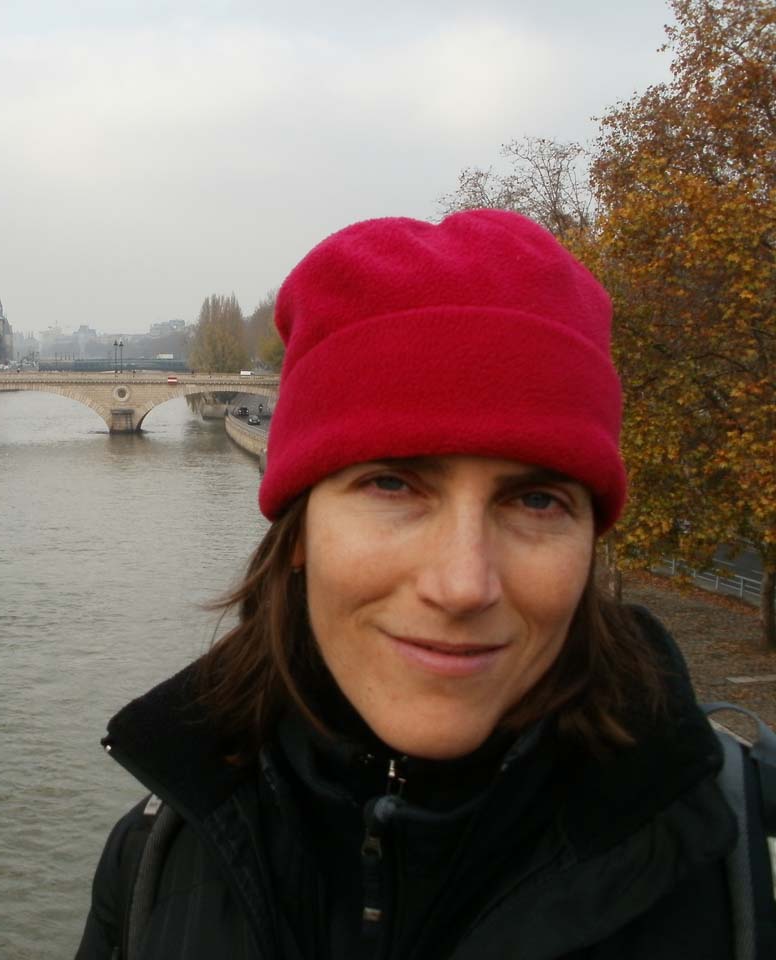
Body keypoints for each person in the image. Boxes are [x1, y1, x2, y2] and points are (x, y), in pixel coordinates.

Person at [75, 210, 762, 959]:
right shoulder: (148, 862)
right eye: (394, 485)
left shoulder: (750, 865)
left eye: (536, 500)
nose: (463, 584)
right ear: (298, 532)